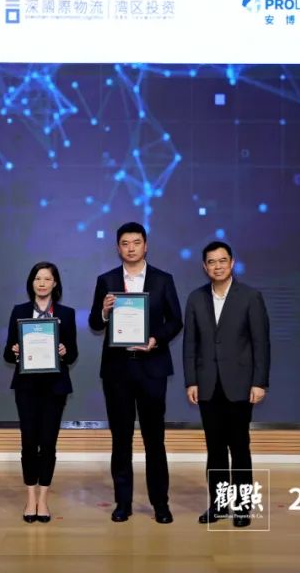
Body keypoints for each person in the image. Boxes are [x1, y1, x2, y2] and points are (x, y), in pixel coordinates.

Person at [88, 222, 182, 524]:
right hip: (117, 370)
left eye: (136, 242)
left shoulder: (163, 279)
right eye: (125, 243)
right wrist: (104, 311)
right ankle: (123, 503)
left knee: (155, 439)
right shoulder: (107, 280)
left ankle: (160, 504)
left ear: (146, 245)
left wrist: (155, 340)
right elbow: (94, 323)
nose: (131, 248)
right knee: (121, 439)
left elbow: (175, 321)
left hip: (152, 368)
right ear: (118, 248)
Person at [183, 241, 270, 527]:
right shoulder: (196, 298)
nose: (217, 266)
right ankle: (219, 505)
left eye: (222, 261)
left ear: (232, 263)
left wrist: (259, 382)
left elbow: (261, 343)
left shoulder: (250, 297)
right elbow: (190, 344)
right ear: (204, 266)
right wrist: (191, 381)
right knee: (215, 449)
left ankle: (243, 507)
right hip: (207, 384)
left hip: (240, 385)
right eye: (211, 262)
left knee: (240, 447)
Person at [2, 261, 79, 524]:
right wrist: (14, 351)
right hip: (26, 387)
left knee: (47, 443)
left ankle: (43, 498)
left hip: (55, 388)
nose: (42, 283)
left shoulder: (66, 314)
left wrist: (64, 351)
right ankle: (30, 497)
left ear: (55, 283)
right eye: (37, 279)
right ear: (31, 283)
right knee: (28, 442)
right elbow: (7, 353)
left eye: (47, 279)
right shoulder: (19, 311)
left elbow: (73, 353)